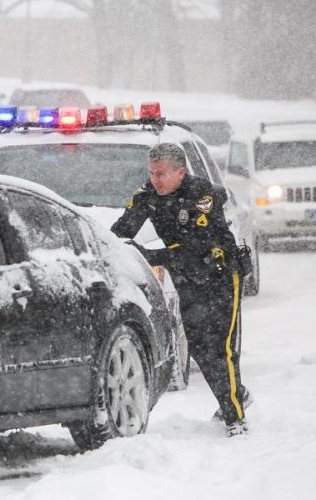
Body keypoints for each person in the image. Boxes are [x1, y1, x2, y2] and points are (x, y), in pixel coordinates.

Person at [111, 143, 252, 437]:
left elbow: (195, 247)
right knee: (199, 347)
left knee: (221, 348)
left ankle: (235, 418)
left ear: (180, 172)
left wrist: (149, 256)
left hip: (221, 273)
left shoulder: (201, 194)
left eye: (161, 174)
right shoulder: (148, 195)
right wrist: (113, 247)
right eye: (152, 173)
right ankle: (239, 395)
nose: (155, 180)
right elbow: (121, 231)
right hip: (187, 278)